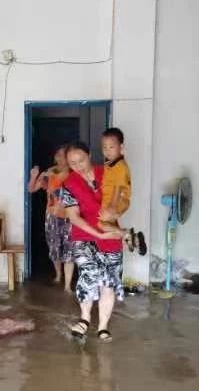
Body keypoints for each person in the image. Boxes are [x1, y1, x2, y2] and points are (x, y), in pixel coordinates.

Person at [61, 141, 124, 343]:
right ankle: (85, 318)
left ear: (89, 155)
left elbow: (120, 200)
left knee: (109, 281)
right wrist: (98, 234)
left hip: (110, 232)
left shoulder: (108, 174)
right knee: (88, 275)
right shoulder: (68, 184)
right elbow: (74, 217)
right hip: (84, 235)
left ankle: (103, 326)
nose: (78, 166)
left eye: (81, 160)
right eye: (72, 163)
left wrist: (114, 215)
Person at [28, 146, 75, 291]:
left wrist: (50, 175)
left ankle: (67, 285)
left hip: (71, 216)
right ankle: (58, 275)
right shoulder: (50, 172)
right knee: (54, 246)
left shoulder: (74, 173)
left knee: (69, 249)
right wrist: (34, 176)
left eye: (64, 155)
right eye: (58, 155)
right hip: (52, 216)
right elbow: (31, 189)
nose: (61, 158)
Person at [96, 128, 147, 255]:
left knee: (102, 225)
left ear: (121, 147)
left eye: (111, 147)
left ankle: (127, 234)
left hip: (117, 201)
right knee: (109, 226)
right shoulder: (110, 163)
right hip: (110, 200)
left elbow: (118, 187)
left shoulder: (120, 166)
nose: (107, 151)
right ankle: (133, 239)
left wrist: (112, 207)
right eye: (104, 147)